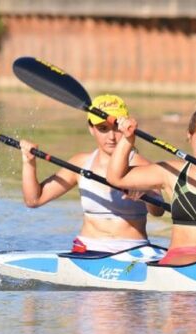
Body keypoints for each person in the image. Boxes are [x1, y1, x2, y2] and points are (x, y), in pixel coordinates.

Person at [107, 96, 196, 265]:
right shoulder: (171, 173)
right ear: (189, 136)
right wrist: (127, 139)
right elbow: (117, 178)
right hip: (177, 264)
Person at [19, 94, 164, 253]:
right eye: (103, 129)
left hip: (133, 250)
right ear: (91, 129)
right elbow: (34, 200)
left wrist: (146, 194)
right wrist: (29, 162)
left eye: (116, 128)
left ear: (126, 127)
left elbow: (158, 211)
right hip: (86, 249)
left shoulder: (141, 165)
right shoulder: (80, 163)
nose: (111, 137)